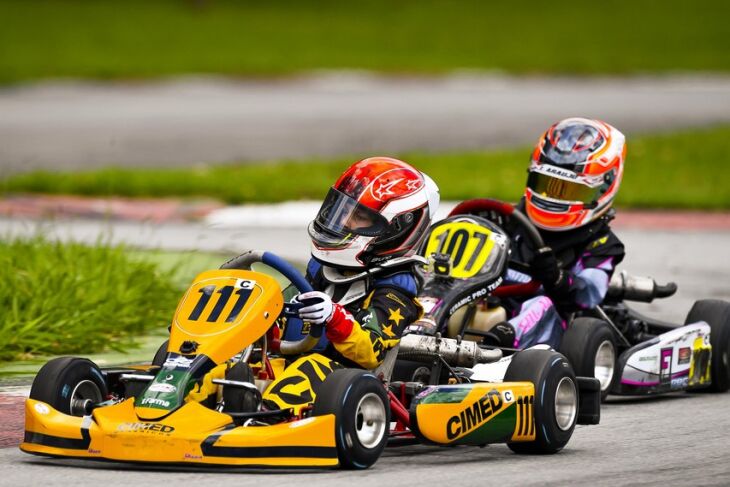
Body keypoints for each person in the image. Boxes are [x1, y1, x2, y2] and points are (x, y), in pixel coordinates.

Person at [262, 156, 440, 410]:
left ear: (396, 229)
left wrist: (334, 317)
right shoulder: (323, 268)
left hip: (344, 380)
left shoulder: (396, 290)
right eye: (341, 210)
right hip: (291, 358)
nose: (344, 222)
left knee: (308, 369)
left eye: (359, 216)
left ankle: (259, 421)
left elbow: (370, 350)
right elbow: (283, 312)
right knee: (234, 367)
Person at [499, 118, 627, 349]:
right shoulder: (507, 220)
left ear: (603, 187)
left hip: (553, 330)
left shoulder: (602, 244)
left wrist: (556, 278)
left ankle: (497, 343)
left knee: (540, 303)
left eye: (571, 190)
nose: (554, 198)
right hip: (494, 304)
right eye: (546, 184)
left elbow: (588, 295)